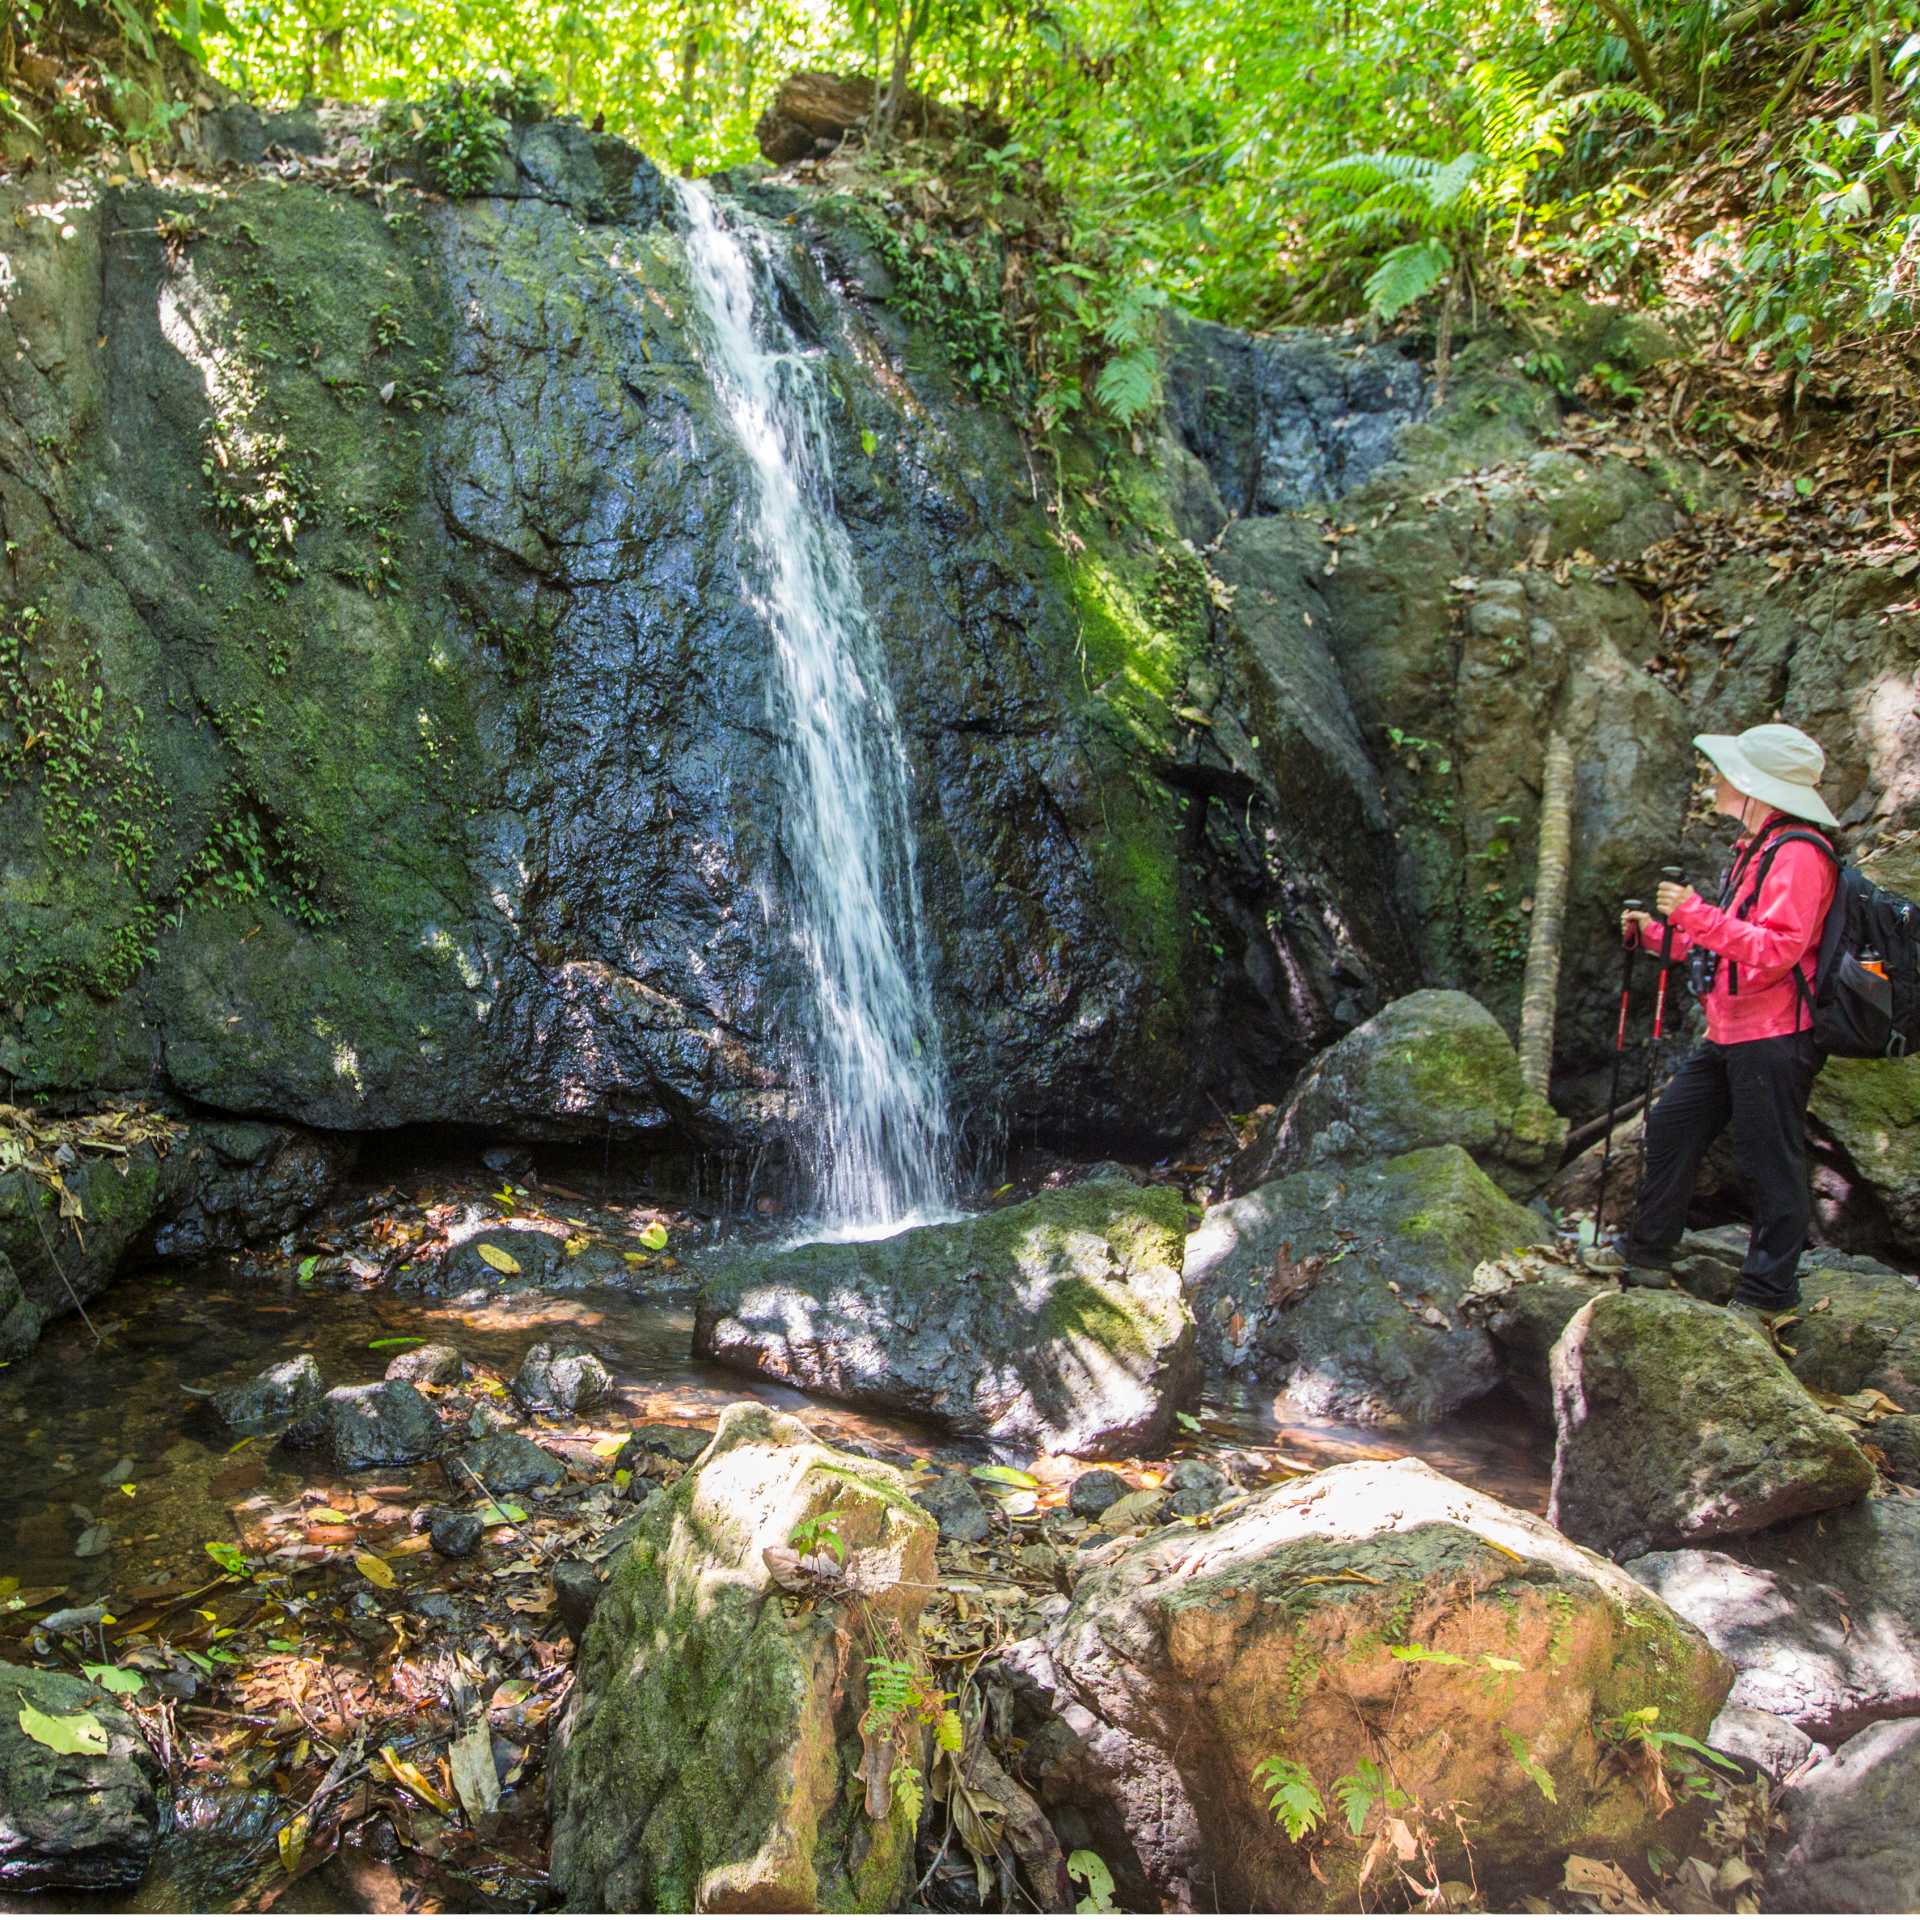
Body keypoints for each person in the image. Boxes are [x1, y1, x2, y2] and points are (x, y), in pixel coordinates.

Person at [1608, 722, 1840, 1321]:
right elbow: (1723, 946)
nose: (1714, 779)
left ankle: (1767, 1296)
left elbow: (1778, 948)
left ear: (1754, 786)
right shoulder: (1754, 851)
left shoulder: (1799, 855)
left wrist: (1693, 913)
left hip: (1776, 1034)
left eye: (1725, 771)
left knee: (1771, 1161)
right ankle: (1649, 1256)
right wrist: (1661, 934)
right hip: (1730, 1031)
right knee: (1671, 1126)